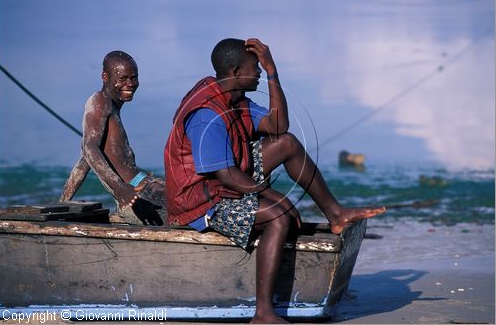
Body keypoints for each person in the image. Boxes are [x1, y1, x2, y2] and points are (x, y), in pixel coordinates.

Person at [164, 38, 386, 323]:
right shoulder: (208, 115)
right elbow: (227, 176)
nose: (257, 72)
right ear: (234, 71)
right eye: (254, 68)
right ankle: (263, 313)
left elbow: (278, 126)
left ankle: (336, 213)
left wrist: (272, 72)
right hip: (198, 201)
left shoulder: (234, 97)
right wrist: (275, 199)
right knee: (279, 217)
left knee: (287, 143)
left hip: (228, 179)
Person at [60, 51, 165, 226]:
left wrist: (62, 202)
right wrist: (118, 188)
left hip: (141, 185)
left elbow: (85, 161)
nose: (130, 84)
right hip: (133, 197)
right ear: (105, 76)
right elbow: (89, 147)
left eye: (133, 78)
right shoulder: (100, 101)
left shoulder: (112, 106)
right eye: (123, 78)